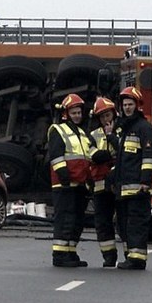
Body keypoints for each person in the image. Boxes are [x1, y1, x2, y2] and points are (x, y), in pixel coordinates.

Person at [47, 93, 100, 268]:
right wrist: (64, 178)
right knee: (65, 219)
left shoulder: (83, 134)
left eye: (79, 112)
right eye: (74, 113)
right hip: (64, 185)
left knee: (76, 221)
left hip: (80, 185)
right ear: (66, 114)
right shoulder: (58, 130)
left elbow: (92, 155)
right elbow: (56, 157)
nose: (77, 115)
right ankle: (59, 255)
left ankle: (70, 252)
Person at [110, 86, 152, 270]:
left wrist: (146, 181)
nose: (127, 108)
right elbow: (122, 160)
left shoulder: (144, 128)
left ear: (138, 105)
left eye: (130, 104)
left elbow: (148, 157)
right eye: (125, 105)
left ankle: (137, 259)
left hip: (138, 188)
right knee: (123, 224)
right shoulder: (123, 129)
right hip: (123, 188)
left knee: (136, 224)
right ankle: (130, 255)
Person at [89, 97, 119, 267]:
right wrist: (110, 157)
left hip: (119, 185)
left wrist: (112, 137)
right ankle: (109, 256)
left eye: (107, 115)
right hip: (100, 186)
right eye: (102, 117)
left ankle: (131, 256)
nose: (106, 120)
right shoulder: (93, 135)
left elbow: (124, 152)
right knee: (103, 223)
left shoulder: (122, 131)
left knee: (124, 220)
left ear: (113, 114)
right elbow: (93, 156)